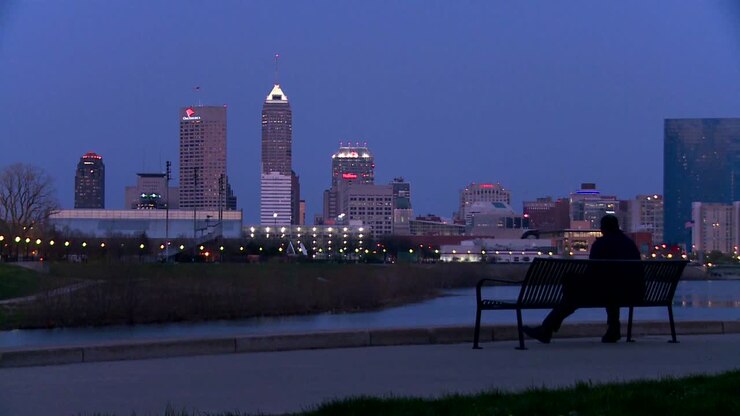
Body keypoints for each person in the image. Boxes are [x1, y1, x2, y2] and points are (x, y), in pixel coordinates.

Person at [523, 214, 643, 344]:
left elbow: (593, 272)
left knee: (573, 295)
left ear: (603, 228)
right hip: (634, 292)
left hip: (611, 292)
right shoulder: (629, 244)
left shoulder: (601, 244)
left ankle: (546, 329)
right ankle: (613, 329)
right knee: (611, 287)